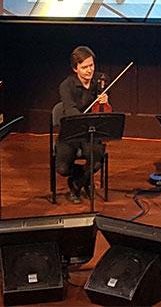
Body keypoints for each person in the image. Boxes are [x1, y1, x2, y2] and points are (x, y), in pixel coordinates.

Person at [57, 45, 108, 204]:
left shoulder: (100, 81)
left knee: (96, 161)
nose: (89, 70)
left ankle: (76, 186)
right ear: (75, 68)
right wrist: (84, 122)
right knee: (62, 169)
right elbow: (70, 110)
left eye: (91, 65)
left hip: (91, 133)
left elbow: (103, 110)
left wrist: (105, 100)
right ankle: (83, 178)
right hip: (72, 132)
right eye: (84, 67)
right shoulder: (66, 86)